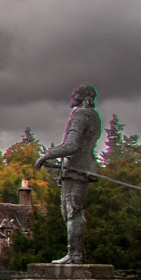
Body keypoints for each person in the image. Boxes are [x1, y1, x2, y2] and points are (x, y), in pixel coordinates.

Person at [35, 84, 103, 265]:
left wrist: (46, 155)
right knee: (72, 212)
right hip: (81, 166)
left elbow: (72, 145)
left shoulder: (81, 115)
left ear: (83, 96)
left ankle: (74, 255)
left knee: (72, 212)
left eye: (76, 92)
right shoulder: (94, 116)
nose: (73, 95)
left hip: (75, 170)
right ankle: (75, 254)